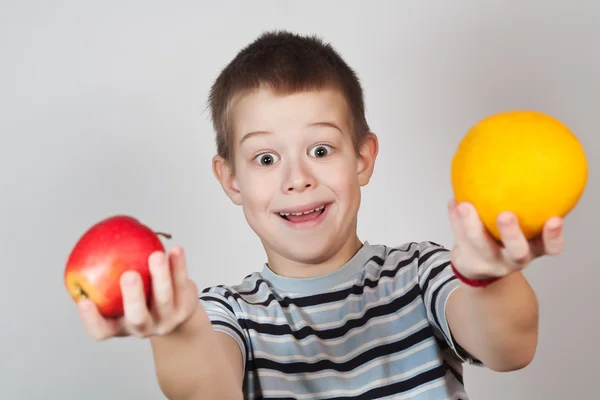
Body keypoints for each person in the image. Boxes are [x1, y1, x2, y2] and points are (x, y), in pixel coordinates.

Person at [76, 30, 565, 399]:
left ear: (363, 159)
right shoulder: (228, 313)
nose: (297, 178)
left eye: (321, 149)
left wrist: (488, 278)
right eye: (266, 159)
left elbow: (510, 350)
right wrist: (176, 327)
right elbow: (205, 390)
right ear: (230, 180)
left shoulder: (421, 273)